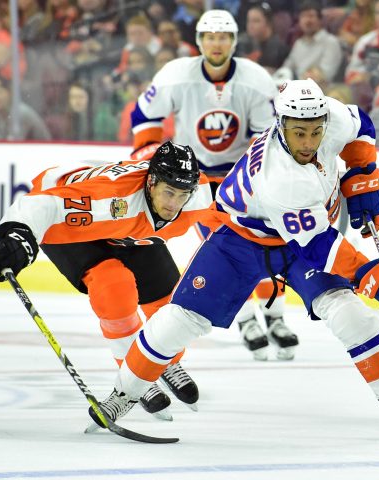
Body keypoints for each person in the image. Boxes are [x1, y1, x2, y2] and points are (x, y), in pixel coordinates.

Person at [89, 79, 379, 442]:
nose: (309, 143)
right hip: (242, 240)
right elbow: (320, 247)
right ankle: (123, 394)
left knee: (347, 311)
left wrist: (362, 174)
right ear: (280, 125)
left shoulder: (332, 116)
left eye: (316, 132)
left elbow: (361, 124)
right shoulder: (280, 177)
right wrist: (376, 278)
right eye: (299, 133)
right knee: (176, 321)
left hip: (298, 239)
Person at [0, 141, 213, 420]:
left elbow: (247, 198)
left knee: (166, 294)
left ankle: (166, 361)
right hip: (77, 224)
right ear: (151, 183)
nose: (174, 204)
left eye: (182, 195)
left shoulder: (196, 194)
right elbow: (43, 206)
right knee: (114, 287)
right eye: (169, 193)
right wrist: (18, 237)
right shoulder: (110, 200)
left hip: (126, 227)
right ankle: (134, 374)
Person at [131, 9, 300, 362]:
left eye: (223, 36)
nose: (216, 43)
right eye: (209, 36)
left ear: (234, 41)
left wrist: (255, 176)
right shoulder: (176, 74)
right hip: (197, 179)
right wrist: (149, 153)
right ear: (199, 41)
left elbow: (267, 136)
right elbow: (144, 115)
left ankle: (275, 315)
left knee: (268, 241)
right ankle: (245, 320)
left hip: (244, 176)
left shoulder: (255, 80)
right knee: (222, 247)